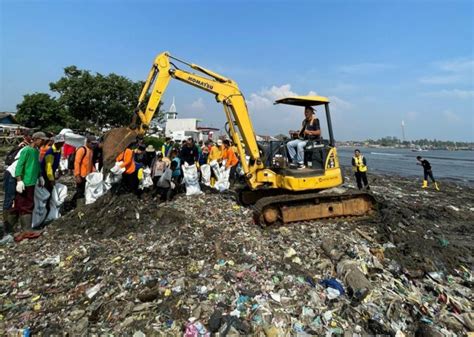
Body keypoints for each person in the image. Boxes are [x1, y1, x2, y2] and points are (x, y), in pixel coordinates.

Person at [1, 132, 33, 244]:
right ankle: (6, 229)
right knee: (9, 200)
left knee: (15, 199)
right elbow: (19, 165)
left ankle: (11, 227)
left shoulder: (32, 149)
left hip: (17, 175)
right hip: (12, 174)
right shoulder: (24, 148)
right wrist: (19, 180)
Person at [12, 132, 49, 230]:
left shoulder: (36, 151)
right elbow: (20, 165)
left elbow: (36, 165)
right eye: (42, 140)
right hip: (25, 182)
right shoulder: (26, 150)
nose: (43, 142)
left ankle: (25, 228)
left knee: (28, 204)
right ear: (36, 139)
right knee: (24, 205)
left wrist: (40, 176)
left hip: (32, 181)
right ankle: (25, 229)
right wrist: (19, 180)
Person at [72, 135, 97, 206]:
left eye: (95, 144)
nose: (94, 145)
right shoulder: (82, 149)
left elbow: (90, 162)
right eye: (92, 143)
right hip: (81, 175)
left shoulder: (91, 150)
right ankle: (77, 206)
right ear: (87, 142)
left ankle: (78, 204)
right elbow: (77, 162)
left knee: (84, 190)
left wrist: (94, 171)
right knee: (80, 191)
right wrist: (77, 175)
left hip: (88, 175)